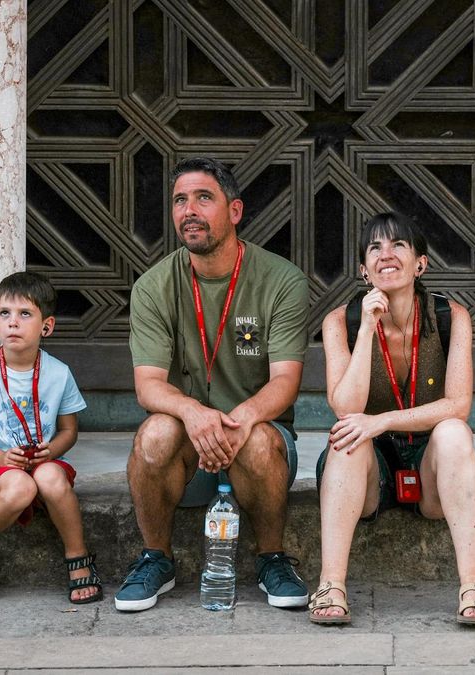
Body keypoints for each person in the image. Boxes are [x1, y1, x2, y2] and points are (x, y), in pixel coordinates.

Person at [115, 157, 311, 612]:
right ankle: (156, 559)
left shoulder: (282, 280)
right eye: (180, 200)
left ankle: (272, 558)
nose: (190, 210)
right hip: (189, 454)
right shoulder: (153, 286)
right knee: (154, 433)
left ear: (235, 211)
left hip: (257, 442)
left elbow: (286, 381)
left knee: (259, 441)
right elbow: (148, 386)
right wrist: (194, 413)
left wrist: (237, 421)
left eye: (204, 198)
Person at [309, 212, 475, 626]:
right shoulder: (340, 322)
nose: (386, 255)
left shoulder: (451, 317)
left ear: (420, 264)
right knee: (346, 435)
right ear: (363, 269)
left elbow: (458, 404)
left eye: (398, 245)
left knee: (454, 431)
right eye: (374, 248)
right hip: (367, 472)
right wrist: (366, 330)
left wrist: (383, 420)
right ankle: (331, 583)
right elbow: (346, 406)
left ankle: (473, 583)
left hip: (428, 465)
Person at [0, 271, 100, 603]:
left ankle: (77, 556)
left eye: (25, 314)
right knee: (21, 485)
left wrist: (52, 451)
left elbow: (69, 431)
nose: (13, 323)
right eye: (5, 314)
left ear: (47, 326)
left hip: (41, 461)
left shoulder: (58, 373)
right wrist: (0, 458)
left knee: (50, 478)